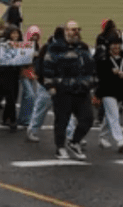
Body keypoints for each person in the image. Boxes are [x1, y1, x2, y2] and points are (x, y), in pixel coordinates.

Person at [41, 21, 97, 161]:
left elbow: (91, 67)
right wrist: (50, 86)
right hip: (62, 90)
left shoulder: (83, 47)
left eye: (77, 29)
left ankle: (75, 141)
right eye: (72, 29)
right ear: (65, 31)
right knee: (62, 121)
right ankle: (60, 147)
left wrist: (92, 82)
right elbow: (47, 67)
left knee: (88, 119)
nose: (75, 32)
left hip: (81, 89)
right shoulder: (55, 48)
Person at [95, 37, 123, 153]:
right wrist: (111, 72)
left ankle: (103, 137)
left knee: (109, 116)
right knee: (114, 115)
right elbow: (101, 75)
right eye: (113, 45)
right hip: (107, 91)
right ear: (109, 46)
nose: (116, 48)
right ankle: (120, 140)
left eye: (118, 45)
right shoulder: (104, 59)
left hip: (119, 91)